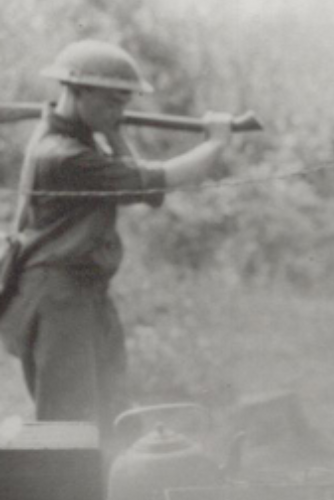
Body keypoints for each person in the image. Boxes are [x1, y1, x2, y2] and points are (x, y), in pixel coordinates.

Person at [0, 40, 235, 456]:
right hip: (58, 299)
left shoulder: (77, 138)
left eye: (125, 103)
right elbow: (159, 180)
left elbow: (138, 186)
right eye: (113, 102)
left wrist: (111, 130)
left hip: (83, 295)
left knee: (112, 413)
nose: (121, 112)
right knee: (69, 428)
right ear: (78, 92)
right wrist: (216, 143)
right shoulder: (65, 156)